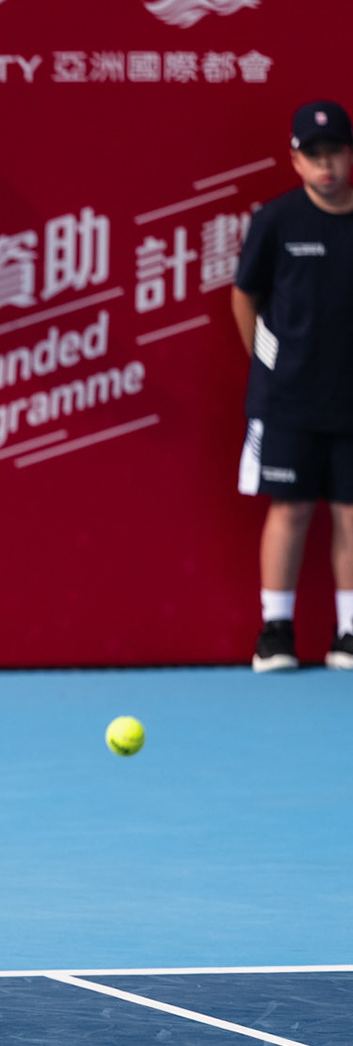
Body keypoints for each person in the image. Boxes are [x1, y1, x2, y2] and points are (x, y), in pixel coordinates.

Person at [233, 100, 353, 672]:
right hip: (288, 399)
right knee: (292, 506)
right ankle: (274, 632)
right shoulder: (276, 220)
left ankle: (349, 633)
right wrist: (268, 362)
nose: (325, 166)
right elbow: (244, 296)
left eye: (335, 153)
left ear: (349, 155)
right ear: (295, 161)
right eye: (314, 155)